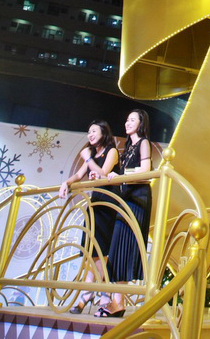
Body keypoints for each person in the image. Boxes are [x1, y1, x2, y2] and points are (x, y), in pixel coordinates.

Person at [59, 120, 120, 314]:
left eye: (94, 131)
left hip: (108, 206)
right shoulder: (92, 154)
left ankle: (96, 293)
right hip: (94, 205)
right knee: (90, 250)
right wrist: (65, 183)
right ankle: (93, 292)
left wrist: (87, 159)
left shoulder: (112, 151)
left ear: (104, 132)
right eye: (88, 132)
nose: (90, 135)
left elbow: (102, 173)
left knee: (101, 252)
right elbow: (78, 175)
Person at [98, 109, 152, 318]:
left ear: (141, 123)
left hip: (138, 198)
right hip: (126, 197)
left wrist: (120, 176)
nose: (127, 122)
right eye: (127, 119)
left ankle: (117, 302)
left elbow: (146, 168)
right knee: (118, 248)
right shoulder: (127, 147)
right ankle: (117, 302)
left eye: (132, 120)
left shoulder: (144, 143)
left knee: (126, 247)